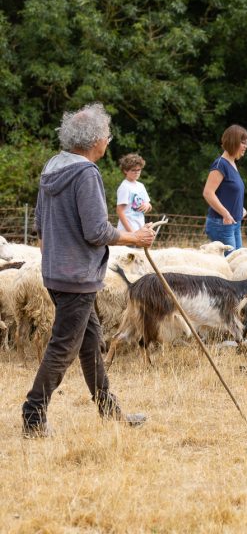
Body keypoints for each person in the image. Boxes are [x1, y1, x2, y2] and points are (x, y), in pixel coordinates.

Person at [21, 103, 157, 439]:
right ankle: (33, 414)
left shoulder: (52, 167)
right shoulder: (86, 173)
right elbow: (97, 231)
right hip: (78, 277)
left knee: (90, 340)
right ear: (95, 139)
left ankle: (108, 409)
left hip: (56, 272)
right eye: (107, 136)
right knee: (64, 347)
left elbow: (40, 223)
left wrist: (55, 256)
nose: (108, 142)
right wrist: (135, 237)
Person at [202, 125, 247, 253]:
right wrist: (226, 214)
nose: (246, 146)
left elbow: (229, 193)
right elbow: (208, 193)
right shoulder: (220, 164)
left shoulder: (232, 164)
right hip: (221, 224)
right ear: (233, 142)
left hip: (233, 223)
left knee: (237, 261)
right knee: (230, 265)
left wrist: (240, 209)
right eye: (243, 143)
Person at [116, 153, 152, 232]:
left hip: (139, 229)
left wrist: (147, 205)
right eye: (133, 170)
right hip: (127, 232)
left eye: (139, 170)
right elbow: (119, 211)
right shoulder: (124, 187)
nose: (137, 172)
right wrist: (131, 233)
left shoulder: (141, 186)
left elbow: (149, 206)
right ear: (125, 170)